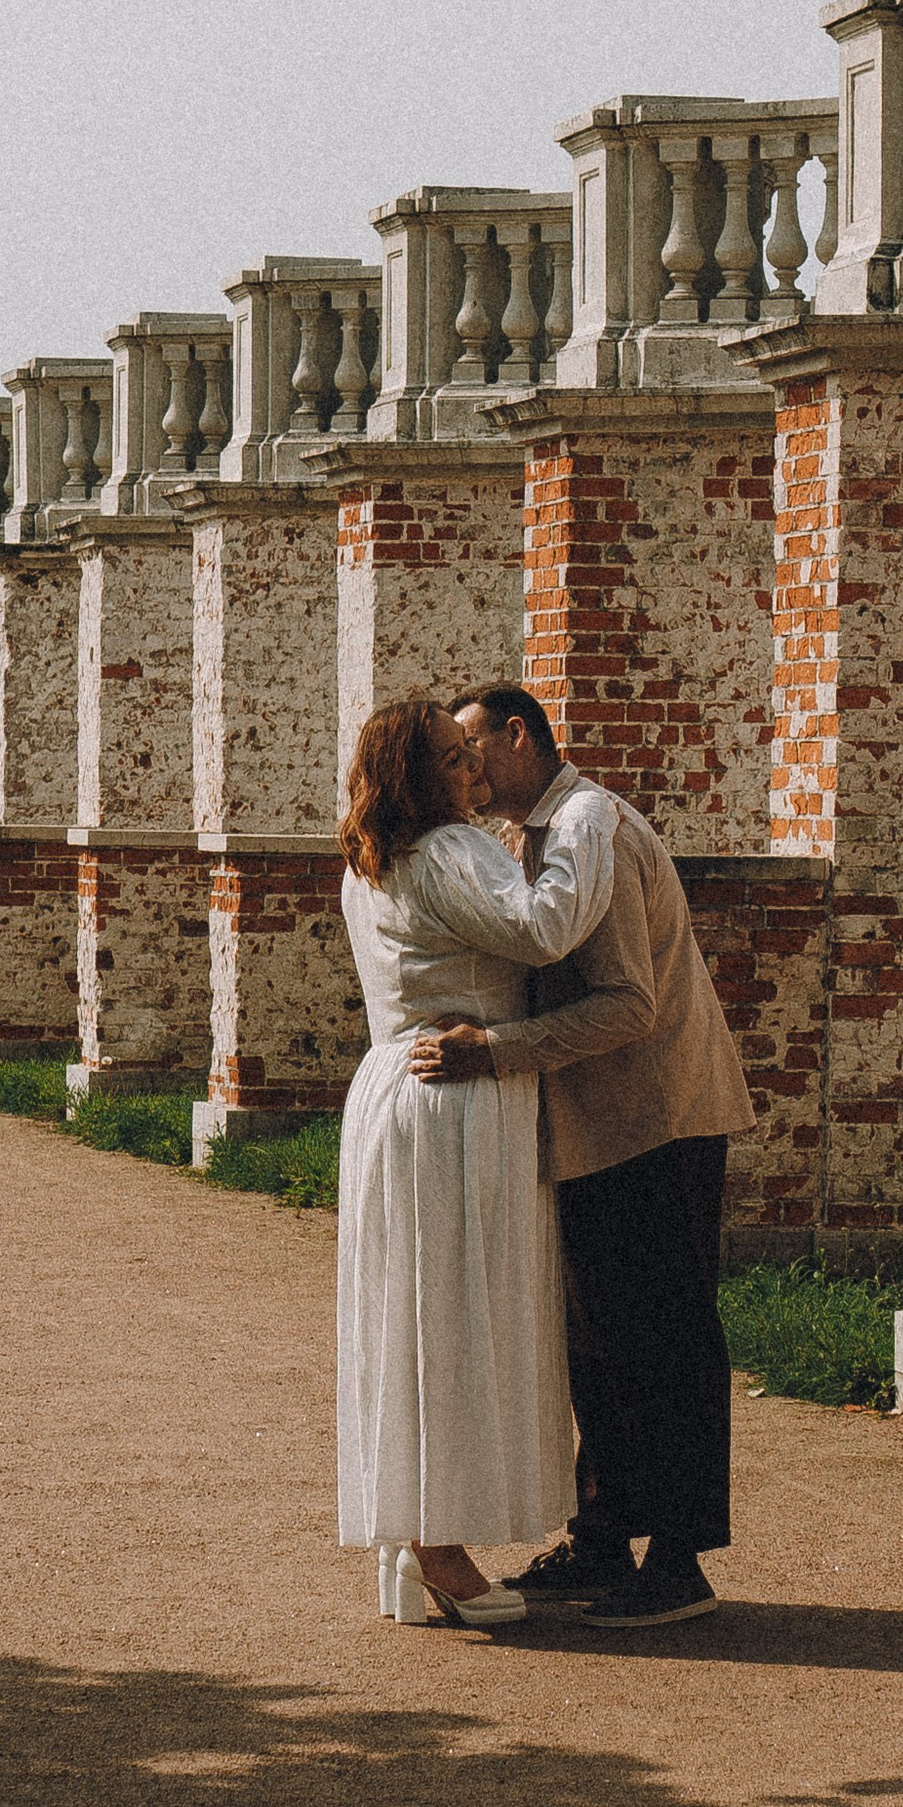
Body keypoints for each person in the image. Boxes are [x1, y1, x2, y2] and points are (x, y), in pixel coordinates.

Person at [411, 687, 752, 1626]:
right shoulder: (533, 835)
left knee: (665, 1342)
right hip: (596, 1126)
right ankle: (602, 1538)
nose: (465, 768)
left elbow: (629, 1004)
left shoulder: (591, 828)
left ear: (518, 735)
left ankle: (678, 1560)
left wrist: (496, 1050)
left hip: (659, 1118)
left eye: (472, 746)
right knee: (596, 1344)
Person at [334, 696, 617, 1633]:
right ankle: (439, 1549)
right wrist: (583, 823)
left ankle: (409, 1534)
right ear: (422, 777)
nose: (473, 770)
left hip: (393, 1090)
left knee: (413, 1315)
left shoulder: (371, 863)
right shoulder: (450, 851)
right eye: (454, 759)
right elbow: (545, 928)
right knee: (454, 1321)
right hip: (455, 1101)